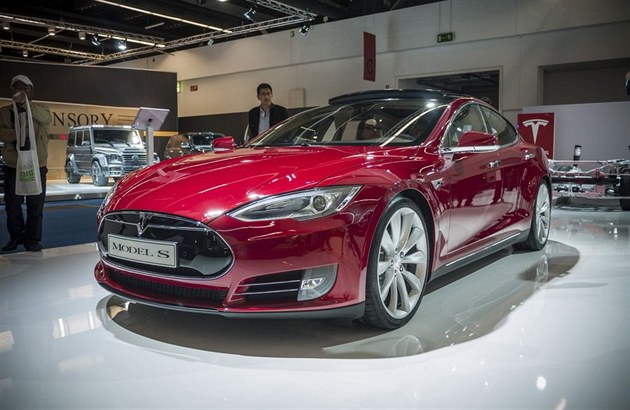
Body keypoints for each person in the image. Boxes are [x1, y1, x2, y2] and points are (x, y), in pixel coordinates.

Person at [0, 75, 52, 252]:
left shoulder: (42, 110)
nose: (20, 91)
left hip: (37, 164)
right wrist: (19, 132)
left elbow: (46, 120)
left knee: (35, 204)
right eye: (16, 88)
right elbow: (1, 133)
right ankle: (15, 237)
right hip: (13, 165)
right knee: (12, 204)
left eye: (24, 88)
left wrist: (26, 105)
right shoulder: (4, 112)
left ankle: (32, 239)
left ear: (32, 91)